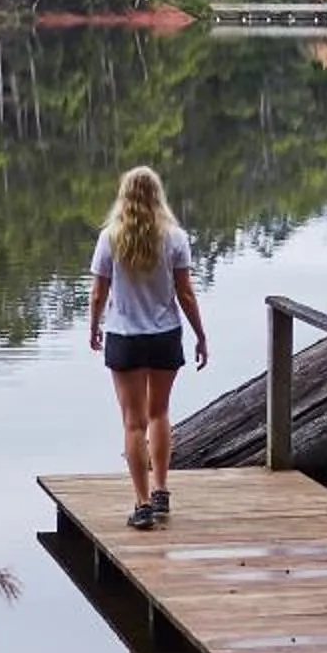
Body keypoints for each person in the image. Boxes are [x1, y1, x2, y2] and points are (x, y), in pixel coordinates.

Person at [88, 164, 207, 530]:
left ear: (124, 196)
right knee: (159, 414)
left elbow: (97, 292)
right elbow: (185, 293)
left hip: (124, 337)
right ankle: (161, 490)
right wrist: (201, 334)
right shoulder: (175, 238)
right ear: (158, 196)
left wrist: (94, 328)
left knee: (132, 423)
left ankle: (142, 505)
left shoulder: (110, 238)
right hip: (164, 334)